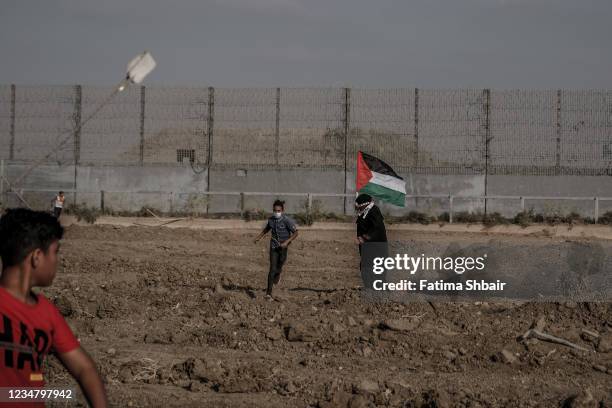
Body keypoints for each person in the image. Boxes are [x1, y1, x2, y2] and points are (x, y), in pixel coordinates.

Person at [0, 208, 108, 408]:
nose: (57, 261)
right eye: (55, 252)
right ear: (37, 257)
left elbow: (85, 369)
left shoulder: (47, 313)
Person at [253, 200, 299, 298]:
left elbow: (296, 233)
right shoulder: (271, 220)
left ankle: (278, 274)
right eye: (275, 210)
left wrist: (286, 242)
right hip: (274, 246)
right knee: (272, 269)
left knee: (280, 263)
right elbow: (266, 229)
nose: (276, 212)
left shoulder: (287, 220)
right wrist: (259, 237)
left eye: (278, 210)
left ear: (282, 210)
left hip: (283, 247)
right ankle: (268, 293)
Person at [355, 194, 389, 291]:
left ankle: (380, 290)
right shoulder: (363, 213)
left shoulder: (374, 211)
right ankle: (369, 288)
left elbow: (377, 229)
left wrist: (365, 238)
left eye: (358, 204)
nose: (357, 207)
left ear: (365, 204)